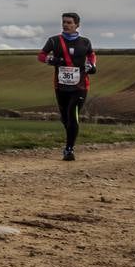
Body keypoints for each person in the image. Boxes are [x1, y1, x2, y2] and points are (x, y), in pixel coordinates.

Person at [39, 12, 97, 160]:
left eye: (69, 22)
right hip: (61, 86)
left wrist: (92, 65)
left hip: (80, 86)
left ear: (77, 25)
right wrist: (52, 60)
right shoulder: (53, 41)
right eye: (64, 22)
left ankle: (69, 149)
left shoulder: (85, 42)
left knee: (72, 115)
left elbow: (91, 55)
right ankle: (70, 137)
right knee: (65, 118)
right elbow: (41, 56)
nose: (66, 25)